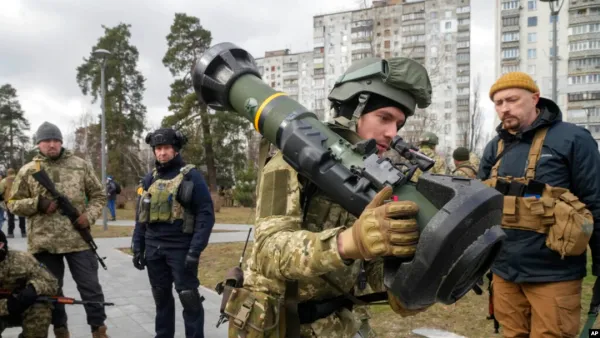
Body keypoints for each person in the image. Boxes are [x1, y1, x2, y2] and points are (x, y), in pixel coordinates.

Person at [221, 56, 433, 338]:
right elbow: (268, 251)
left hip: (338, 324)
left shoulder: (378, 177)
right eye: (384, 118)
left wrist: (404, 282)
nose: (392, 133)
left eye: (398, 123)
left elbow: (373, 263)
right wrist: (349, 242)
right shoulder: (293, 161)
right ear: (354, 111)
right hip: (281, 324)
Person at [479, 72, 600, 337]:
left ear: (535, 98)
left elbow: (595, 202)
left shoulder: (573, 139)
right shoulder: (494, 147)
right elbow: (479, 206)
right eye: (498, 103)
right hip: (504, 272)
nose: (504, 108)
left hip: (554, 274)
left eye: (511, 100)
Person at [6, 121, 110, 338]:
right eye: (46, 141)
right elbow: (12, 203)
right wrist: (37, 204)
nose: (51, 145)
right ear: (38, 144)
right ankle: (61, 330)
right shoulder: (28, 171)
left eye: (55, 140)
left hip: (78, 241)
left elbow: (99, 195)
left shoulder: (80, 165)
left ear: (61, 142)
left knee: (91, 287)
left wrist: (87, 216)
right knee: (51, 291)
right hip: (44, 244)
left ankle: (98, 330)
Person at [131, 128, 215, 338]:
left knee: (189, 298)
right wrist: (137, 246)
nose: (162, 153)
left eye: (166, 148)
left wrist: (195, 250)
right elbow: (141, 215)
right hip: (154, 249)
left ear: (175, 150)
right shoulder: (150, 178)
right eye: (158, 149)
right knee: (161, 299)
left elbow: (206, 215)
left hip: (180, 249)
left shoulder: (191, 176)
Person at [0, 229, 59, 337]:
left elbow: (51, 282)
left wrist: (33, 289)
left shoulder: (22, 259)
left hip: (23, 308)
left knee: (40, 310)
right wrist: (7, 305)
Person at [0, 169, 26, 238]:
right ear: (14, 173)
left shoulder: (4, 180)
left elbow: (0, 190)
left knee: (10, 217)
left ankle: (10, 233)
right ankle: (23, 232)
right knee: (21, 216)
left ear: (7, 173)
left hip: (10, 201)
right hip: (19, 201)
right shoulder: (20, 179)